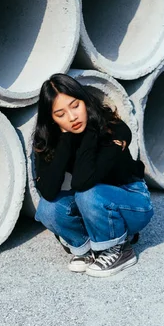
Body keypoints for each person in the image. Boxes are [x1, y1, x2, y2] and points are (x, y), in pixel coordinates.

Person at [33, 73, 153, 277]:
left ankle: (119, 250)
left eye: (75, 106)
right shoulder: (53, 141)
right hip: (92, 203)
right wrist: (65, 141)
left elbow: (82, 181)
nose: (72, 117)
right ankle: (86, 248)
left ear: (84, 101)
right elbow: (48, 191)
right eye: (60, 114)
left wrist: (89, 133)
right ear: (51, 119)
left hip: (133, 203)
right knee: (47, 208)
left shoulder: (113, 129)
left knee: (86, 193)